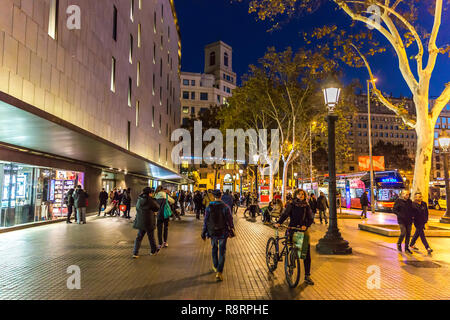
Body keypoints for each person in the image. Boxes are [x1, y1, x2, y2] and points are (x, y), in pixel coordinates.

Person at [274, 189, 314, 286]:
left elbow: (311, 218)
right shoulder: (291, 205)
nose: (301, 196)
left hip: (302, 231)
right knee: (291, 247)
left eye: (303, 194)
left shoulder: (306, 206)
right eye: (299, 194)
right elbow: (285, 214)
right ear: (295, 195)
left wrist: (306, 225)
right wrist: (279, 222)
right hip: (292, 229)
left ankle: (307, 275)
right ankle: (291, 264)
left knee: (306, 253)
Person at [201, 190, 235, 282]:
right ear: (221, 196)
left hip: (212, 232)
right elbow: (230, 220)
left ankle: (215, 266)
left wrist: (203, 232)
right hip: (223, 232)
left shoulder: (209, 207)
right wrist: (232, 229)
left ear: (213, 196)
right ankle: (219, 272)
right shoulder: (226, 207)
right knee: (222, 251)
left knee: (214, 248)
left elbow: (206, 221)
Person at [132, 187, 160, 258]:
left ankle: (135, 253)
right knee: (151, 237)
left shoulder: (139, 199)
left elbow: (137, 208)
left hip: (141, 221)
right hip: (149, 221)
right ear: (149, 193)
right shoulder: (149, 200)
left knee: (139, 237)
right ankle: (153, 251)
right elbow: (157, 207)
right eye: (151, 193)